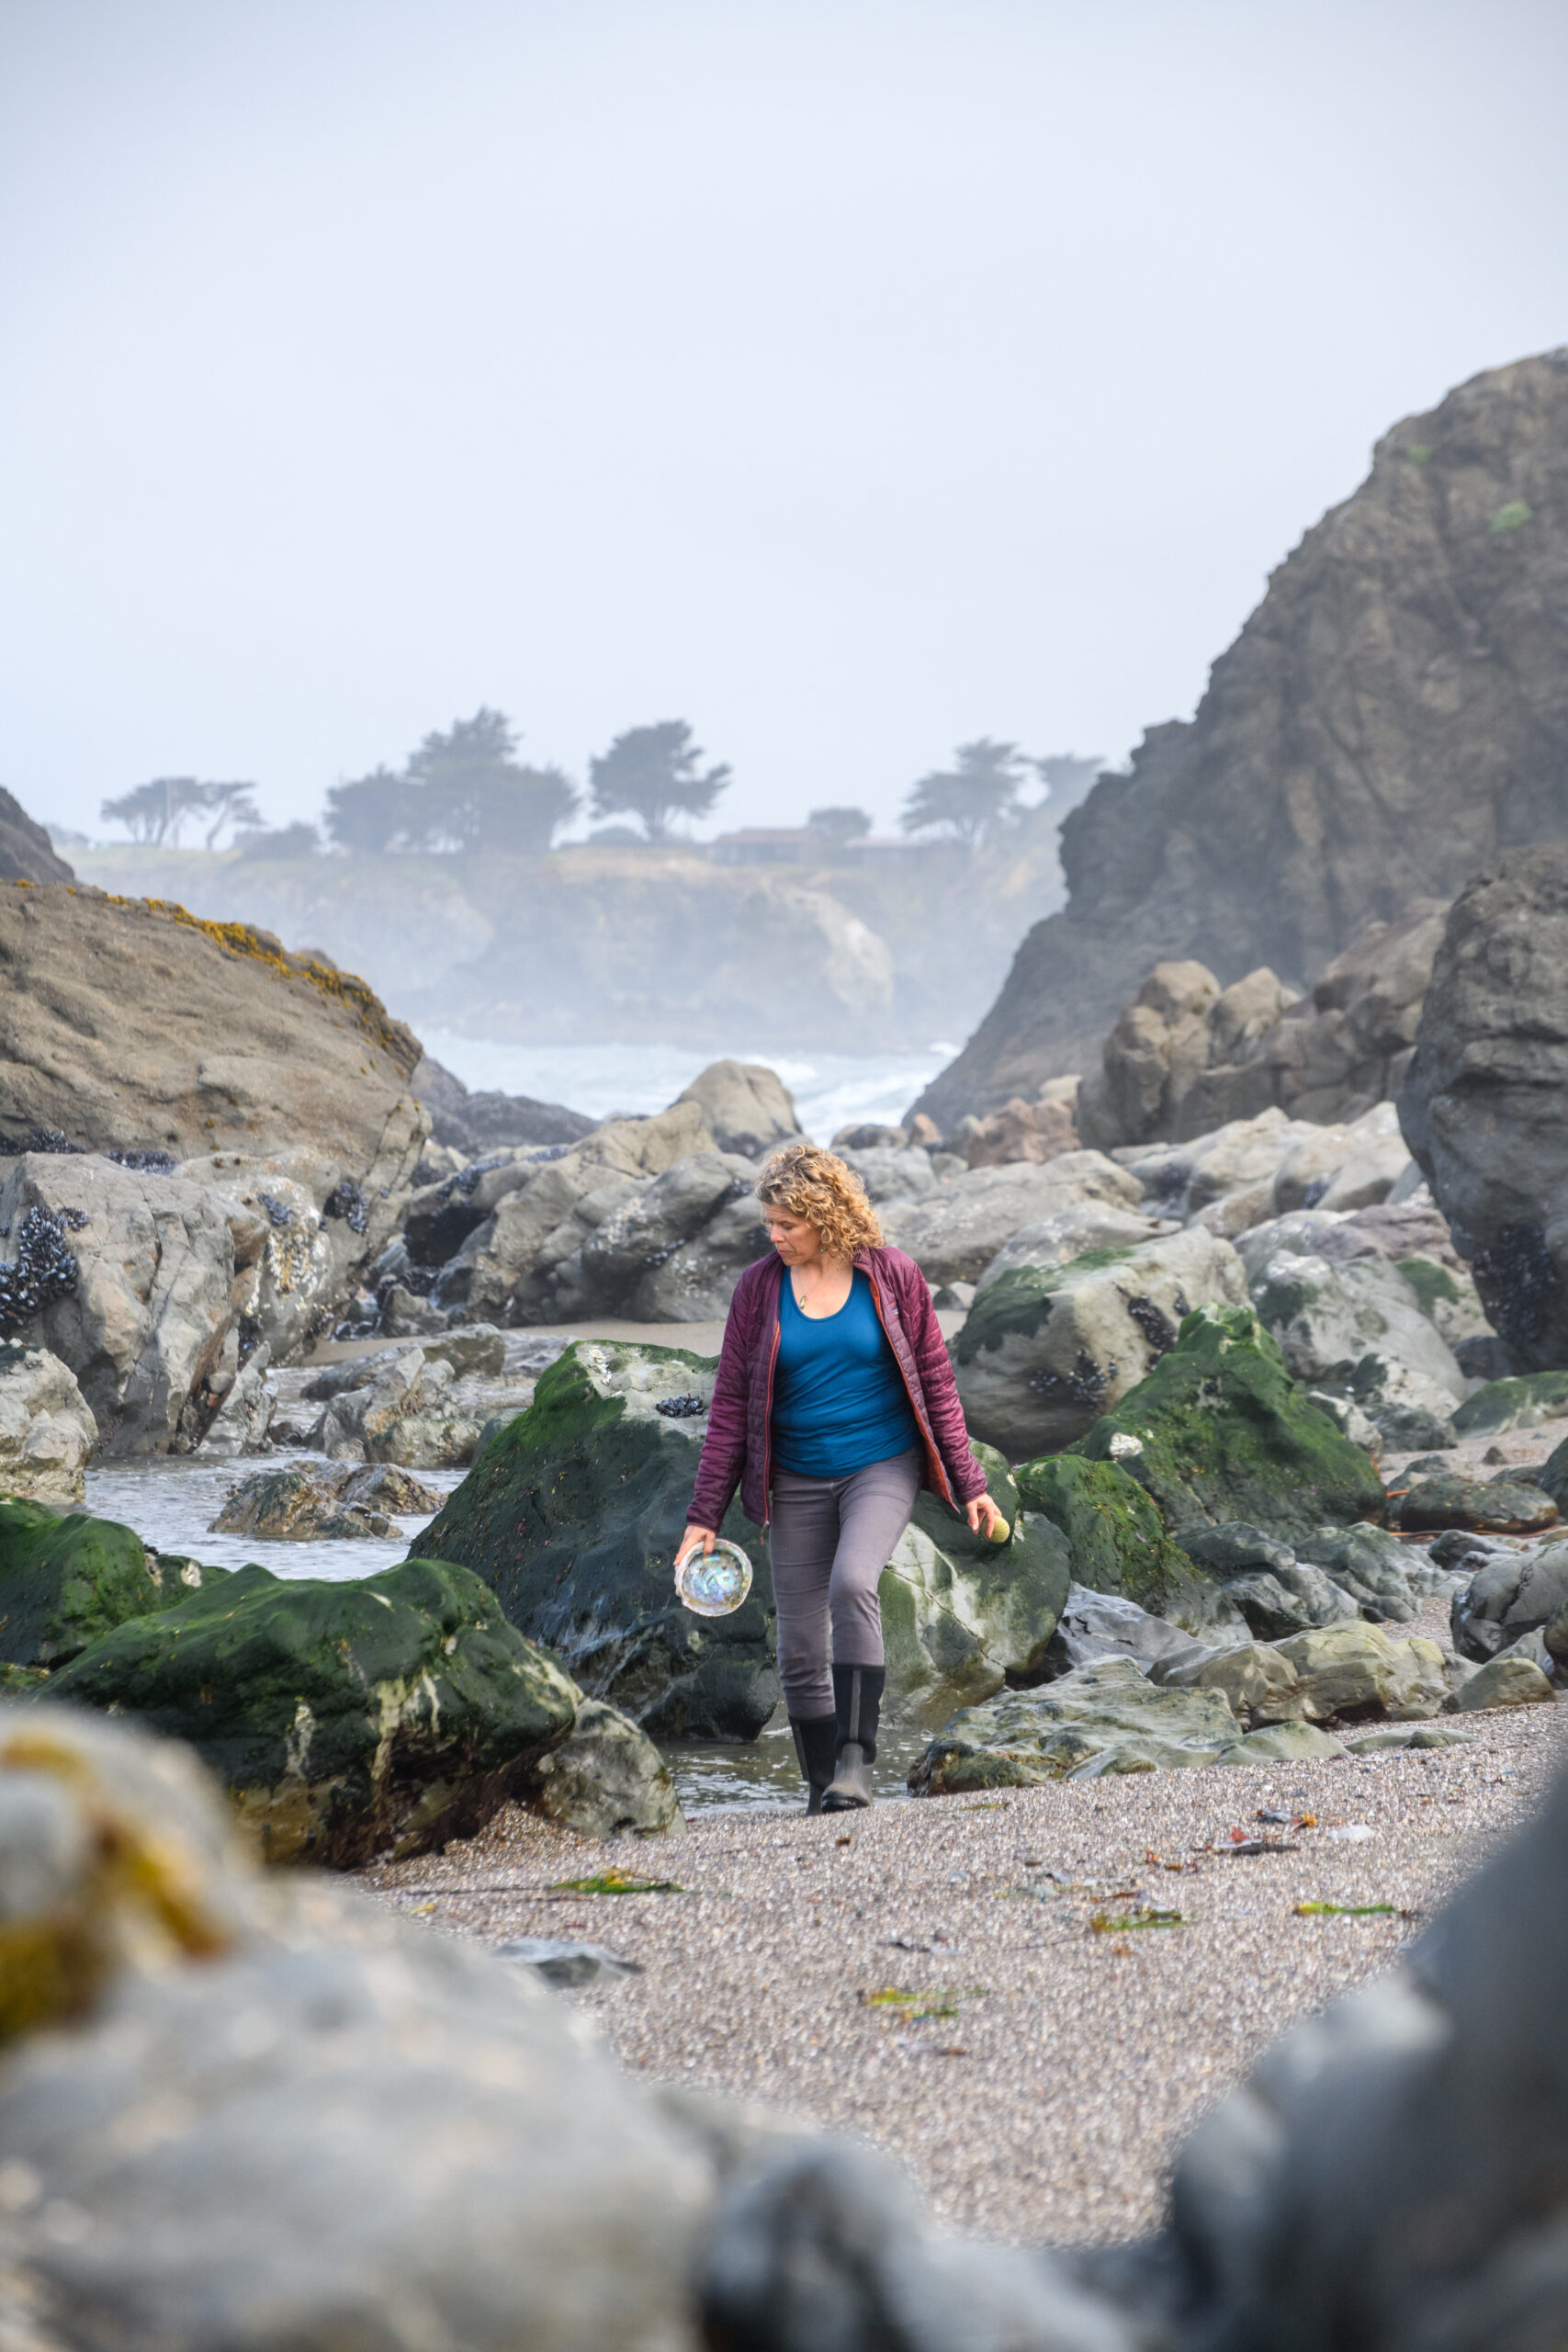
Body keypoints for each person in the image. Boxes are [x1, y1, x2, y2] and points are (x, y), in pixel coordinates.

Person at [676, 1141, 1002, 1813]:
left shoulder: (891, 1276)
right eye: (768, 1224)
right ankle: (820, 1788)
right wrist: (703, 1517)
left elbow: (936, 1384)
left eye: (787, 1225)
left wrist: (969, 1482)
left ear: (826, 1216)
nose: (774, 1237)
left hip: (879, 1464)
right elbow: (732, 1408)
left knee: (853, 1582)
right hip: (793, 1478)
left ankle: (855, 1767)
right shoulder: (758, 1289)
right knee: (797, 1643)